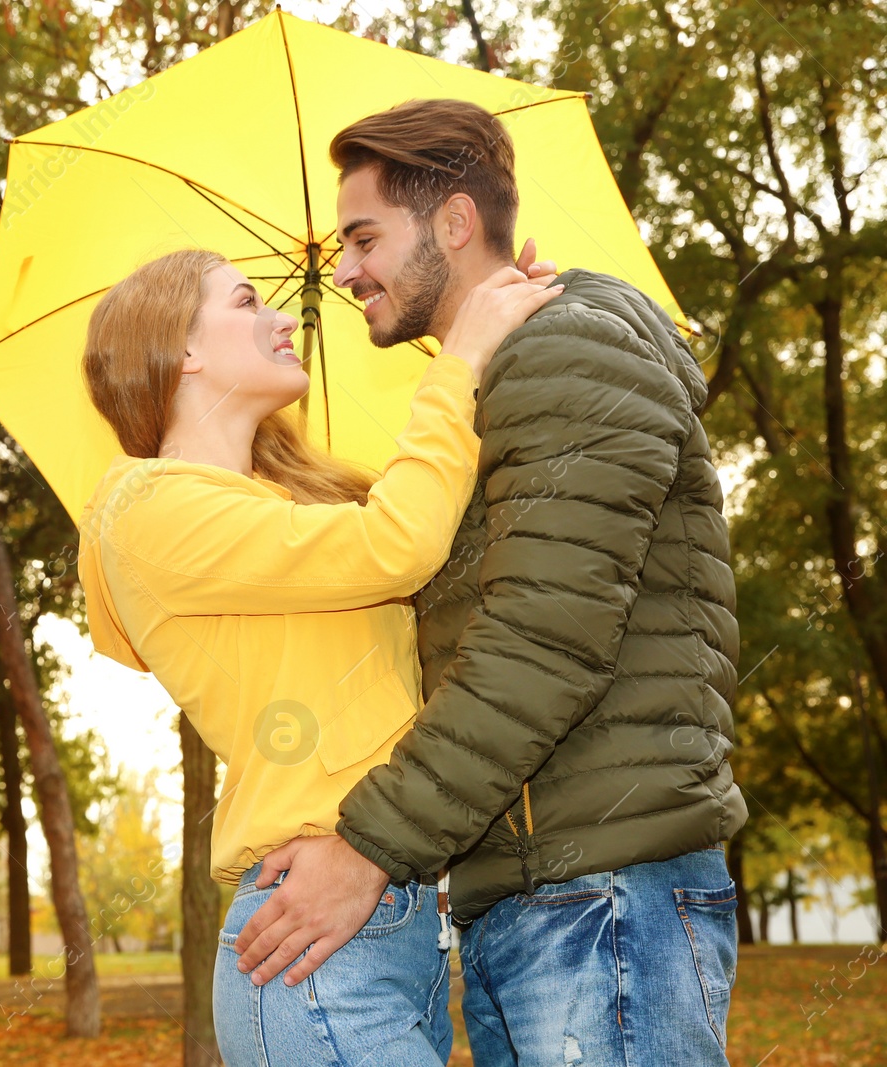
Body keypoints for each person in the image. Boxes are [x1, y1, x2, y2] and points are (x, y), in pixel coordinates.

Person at [230, 98, 746, 1067]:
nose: (343, 271)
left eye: (364, 236)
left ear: (455, 224)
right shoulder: (492, 381)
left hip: (601, 895)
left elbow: (541, 646)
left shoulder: (562, 351)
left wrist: (369, 849)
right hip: (539, 892)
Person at [76, 244, 561, 1064]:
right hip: (310, 942)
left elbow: (429, 531)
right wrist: (461, 353)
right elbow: (397, 544)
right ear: (183, 350)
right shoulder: (147, 508)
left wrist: (483, 310)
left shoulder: (280, 512)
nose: (277, 317)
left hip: (388, 913)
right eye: (245, 301)